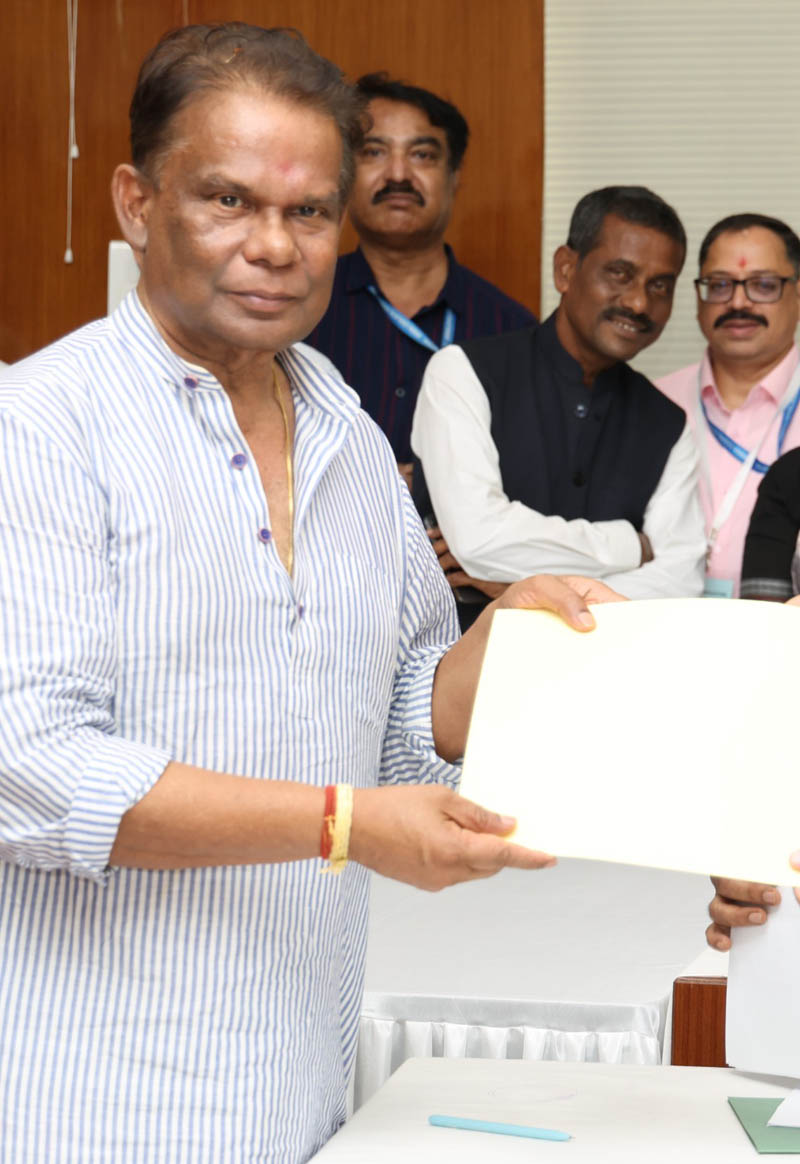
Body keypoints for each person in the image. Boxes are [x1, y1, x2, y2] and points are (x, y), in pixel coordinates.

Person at [0, 23, 618, 1164]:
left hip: (297, 1088)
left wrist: (498, 652)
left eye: (309, 212)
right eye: (227, 201)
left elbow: (394, 728)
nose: (274, 246)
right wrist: (343, 825)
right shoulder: (40, 427)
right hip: (84, 1099)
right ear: (137, 203)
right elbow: (31, 773)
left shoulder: (346, 429)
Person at [411, 185, 705, 628]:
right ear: (566, 269)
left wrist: (526, 588)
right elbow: (480, 539)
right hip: (471, 656)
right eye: (620, 274)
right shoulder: (462, 373)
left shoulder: (668, 424)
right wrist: (630, 545)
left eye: (660, 286)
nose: (639, 302)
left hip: (608, 662)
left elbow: (681, 581)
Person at [305, 72, 534, 490]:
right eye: (374, 152)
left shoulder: (513, 330)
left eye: (422, 155)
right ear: (344, 174)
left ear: (455, 176)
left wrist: (438, 496)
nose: (398, 174)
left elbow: (532, 471)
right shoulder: (297, 309)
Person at [657, 214, 800, 598]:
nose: (738, 302)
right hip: (657, 620)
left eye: (763, 285)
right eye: (720, 285)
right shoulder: (654, 403)